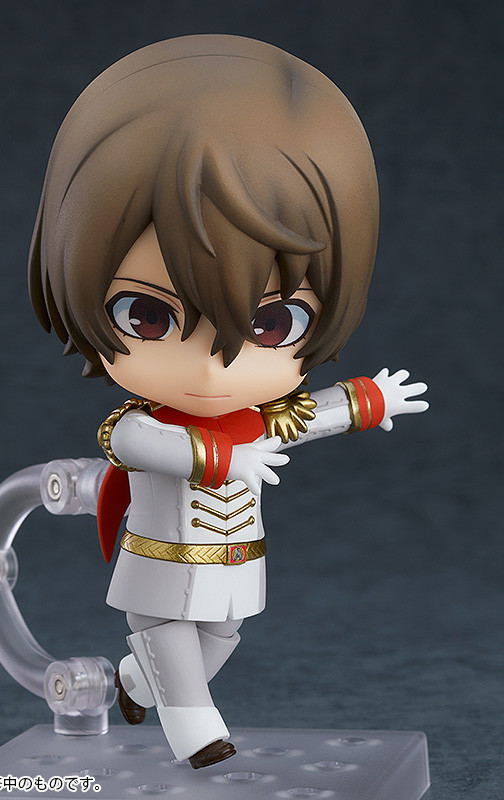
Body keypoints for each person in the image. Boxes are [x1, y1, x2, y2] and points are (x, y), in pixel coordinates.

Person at [28, 34, 428, 768]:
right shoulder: (136, 428)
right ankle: (198, 732)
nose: (213, 369)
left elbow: (306, 420)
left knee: (221, 637)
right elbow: (152, 447)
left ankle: (132, 681)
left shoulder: (259, 422)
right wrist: (227, 459)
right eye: (148, 317)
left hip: (235, 565)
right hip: (158, 563)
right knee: (174, 646)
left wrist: (370, 400)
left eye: (272, 324)